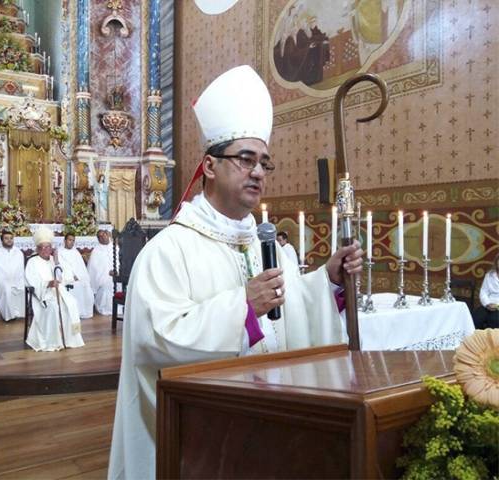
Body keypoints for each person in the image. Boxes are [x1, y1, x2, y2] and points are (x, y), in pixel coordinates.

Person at [108, 65, 363, 479]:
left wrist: (329, 280)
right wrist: (243, 308)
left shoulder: (268, 245)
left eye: (264, 162)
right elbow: (156, 339)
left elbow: (290, 313)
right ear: (209, 166)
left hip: (269, 425)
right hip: (203, 441)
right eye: (246, 159)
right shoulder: (168, 250)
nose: (259, 172)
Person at [24, 228, 84, 351]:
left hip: (59, 292)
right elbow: (32, 282)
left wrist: (56, 262)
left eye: (48, 247)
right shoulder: (32, 262)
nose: (46, 250)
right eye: (43, 247)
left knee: (72, 303)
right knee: (54, 307)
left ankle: (69, 339)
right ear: (37, 249)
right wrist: (48, 283)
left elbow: (63, 277)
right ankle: (53, 341)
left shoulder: (53, 260)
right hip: (42, 296)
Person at [0, 230, 25, 321]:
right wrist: (5, 278)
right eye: (6, 238)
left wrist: (17, 279)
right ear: (2, 240)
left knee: (23, 287)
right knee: (7, 288)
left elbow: (20, 269)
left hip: (17, 279)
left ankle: (20, 313)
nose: (9, 240)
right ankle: (9, 316)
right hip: (1, 281)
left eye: (11, 238)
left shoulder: (18, 253)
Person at [59, 233, 94, 319]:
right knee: (76, 286)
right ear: (65, 241)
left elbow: (81, 267)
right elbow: (62, 266)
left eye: (73, 240)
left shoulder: (76, 252)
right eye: (69, 240)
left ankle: (83, 311)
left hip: (79, 277)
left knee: (85, 285)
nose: (71, 242)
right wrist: (71, 276)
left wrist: (80, 276)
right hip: (67, 278)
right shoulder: (59, 252)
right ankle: (74, 312)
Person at [87, 229, 116, 316]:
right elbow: (94, 268)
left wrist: (117, 270)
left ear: (108, 236)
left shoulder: (115, 247)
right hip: (103, 276)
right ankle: (106, 308)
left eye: (104, 235)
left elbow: (120, 260)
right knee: (107, 284)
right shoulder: (96, 251)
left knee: (120, 282)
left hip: (117, 273)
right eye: (99, 237)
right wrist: (107, 272)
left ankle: (120, 307)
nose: (102, 238)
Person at [475, 253, 499, 329]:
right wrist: (487, 304)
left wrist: (497, 305)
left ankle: (490, 340)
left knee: (494, 320)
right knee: (476, 318)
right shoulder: (490, 275)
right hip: (488, 304)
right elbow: (483, 291)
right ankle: (476, 339)